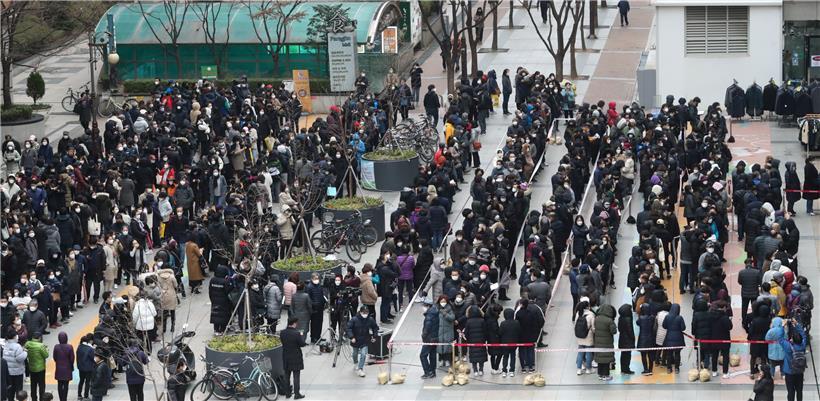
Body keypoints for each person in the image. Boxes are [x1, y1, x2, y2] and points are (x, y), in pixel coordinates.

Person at [347, 305, 380, 377]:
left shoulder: (370, 319)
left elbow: (375, 327)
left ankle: (360, 368)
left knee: (363, 354)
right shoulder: (354, 319)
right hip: (355, 340)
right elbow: (349, 328)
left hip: (365, 340)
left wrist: (375, 336)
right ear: (360, 312)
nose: (365, 314)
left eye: (366, 313)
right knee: (355, 353)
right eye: (364, 313)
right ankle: (355, 363)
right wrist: (351, 337)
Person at [779, 321, 807, 401]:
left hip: (789, 372)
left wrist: (782, 326)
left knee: (791, 391)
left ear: (792, 340)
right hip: (800, 371)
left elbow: (780, 338)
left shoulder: (788, 346)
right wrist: (797, 324)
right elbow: (804, 335)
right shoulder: (803, 345)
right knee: (799, 391)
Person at [280, 317, 306, 400]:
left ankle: (287, 393)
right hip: (296, 357)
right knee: (296, 376)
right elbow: (302, 344)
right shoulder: (296, 333)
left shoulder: (282, 332)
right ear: (294, 323)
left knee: (287, 376)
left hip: (286, 357)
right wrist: (301, 336)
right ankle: (297, 394)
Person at [592, 304, 617, 380]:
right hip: (607, 342)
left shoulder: (596, 318)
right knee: (606, 359)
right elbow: (614, 331)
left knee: (600, 359)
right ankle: (606, 375)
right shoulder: (609, 320)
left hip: (598, 342)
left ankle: (600, 374)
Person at [24, 332, 47, 401]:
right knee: (41, 385)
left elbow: (24, 349)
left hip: (31, 368)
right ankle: (42, 398)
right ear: (39, 338)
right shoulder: (41, 346)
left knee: (33, 385)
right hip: (40, 368)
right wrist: (47, 349)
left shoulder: (27, 343)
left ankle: (34, 399)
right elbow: (46, 355)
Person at [4, 331, 26, 401]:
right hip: (17, 372)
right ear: (14, 337)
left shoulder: (5, 345)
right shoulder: (17, 346)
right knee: (19, 390)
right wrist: (25, 352)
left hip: (8, 372)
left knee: (10, 390)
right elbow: (20, 358)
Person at [52, 332, 74, 401]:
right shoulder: (70, 347)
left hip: (59, 368)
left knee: (59, 384)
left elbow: (54, 357)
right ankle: (64, 399)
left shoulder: (56, 347)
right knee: (66, 385)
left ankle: (61, 398)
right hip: (67, 368)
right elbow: (72, 359)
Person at [420, 298, 439, 379]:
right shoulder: (435, 313)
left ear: (428, 306)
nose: (423, 308)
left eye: (424, 306)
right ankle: (433, 371)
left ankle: (427, 372)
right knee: (432, 355)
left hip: (429, 339)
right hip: (435, 338)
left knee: (423, 355)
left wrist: (423, 336)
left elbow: (427, 328)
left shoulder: (429, 316)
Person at [575, 300, 595, 375]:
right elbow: (593, 327)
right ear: (588, 307)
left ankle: (579, 369)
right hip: (588, 336)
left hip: (580, 336)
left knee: (580, 352)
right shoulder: (591, 315)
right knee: (588, 353)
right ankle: (588, 369)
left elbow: (575, 324)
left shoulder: (578, 313)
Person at [306, 273, 325, 344]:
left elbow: (321, 295)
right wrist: (313, 305)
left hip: (320, 307)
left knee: (320, 322)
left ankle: (318, 336)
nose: (317, 280)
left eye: (317, 278)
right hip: (314, 308)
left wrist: (323, 302)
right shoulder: (309, 287)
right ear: (312, 279)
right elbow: (308, 298)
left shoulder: (319, 286)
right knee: (314, 323)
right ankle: (313, 338)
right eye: (315, 278)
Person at [617, 304, 635, 375]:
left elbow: (619, 329)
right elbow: (630, 330)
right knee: (627, 356)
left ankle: (623, 369)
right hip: (628, 340)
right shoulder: (628, 319)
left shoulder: (620, 318)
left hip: (622, 339)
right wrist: (633, 337)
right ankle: (626, 369)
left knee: (623, 355)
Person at [76, 334, 95, 401]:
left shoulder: (79, 347)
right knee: (87, 382)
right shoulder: (90, 349)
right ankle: (86, 396)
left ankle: (79, 395)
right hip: (88, 368)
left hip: (81, 368)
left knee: (81, 381)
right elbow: (93, 358)